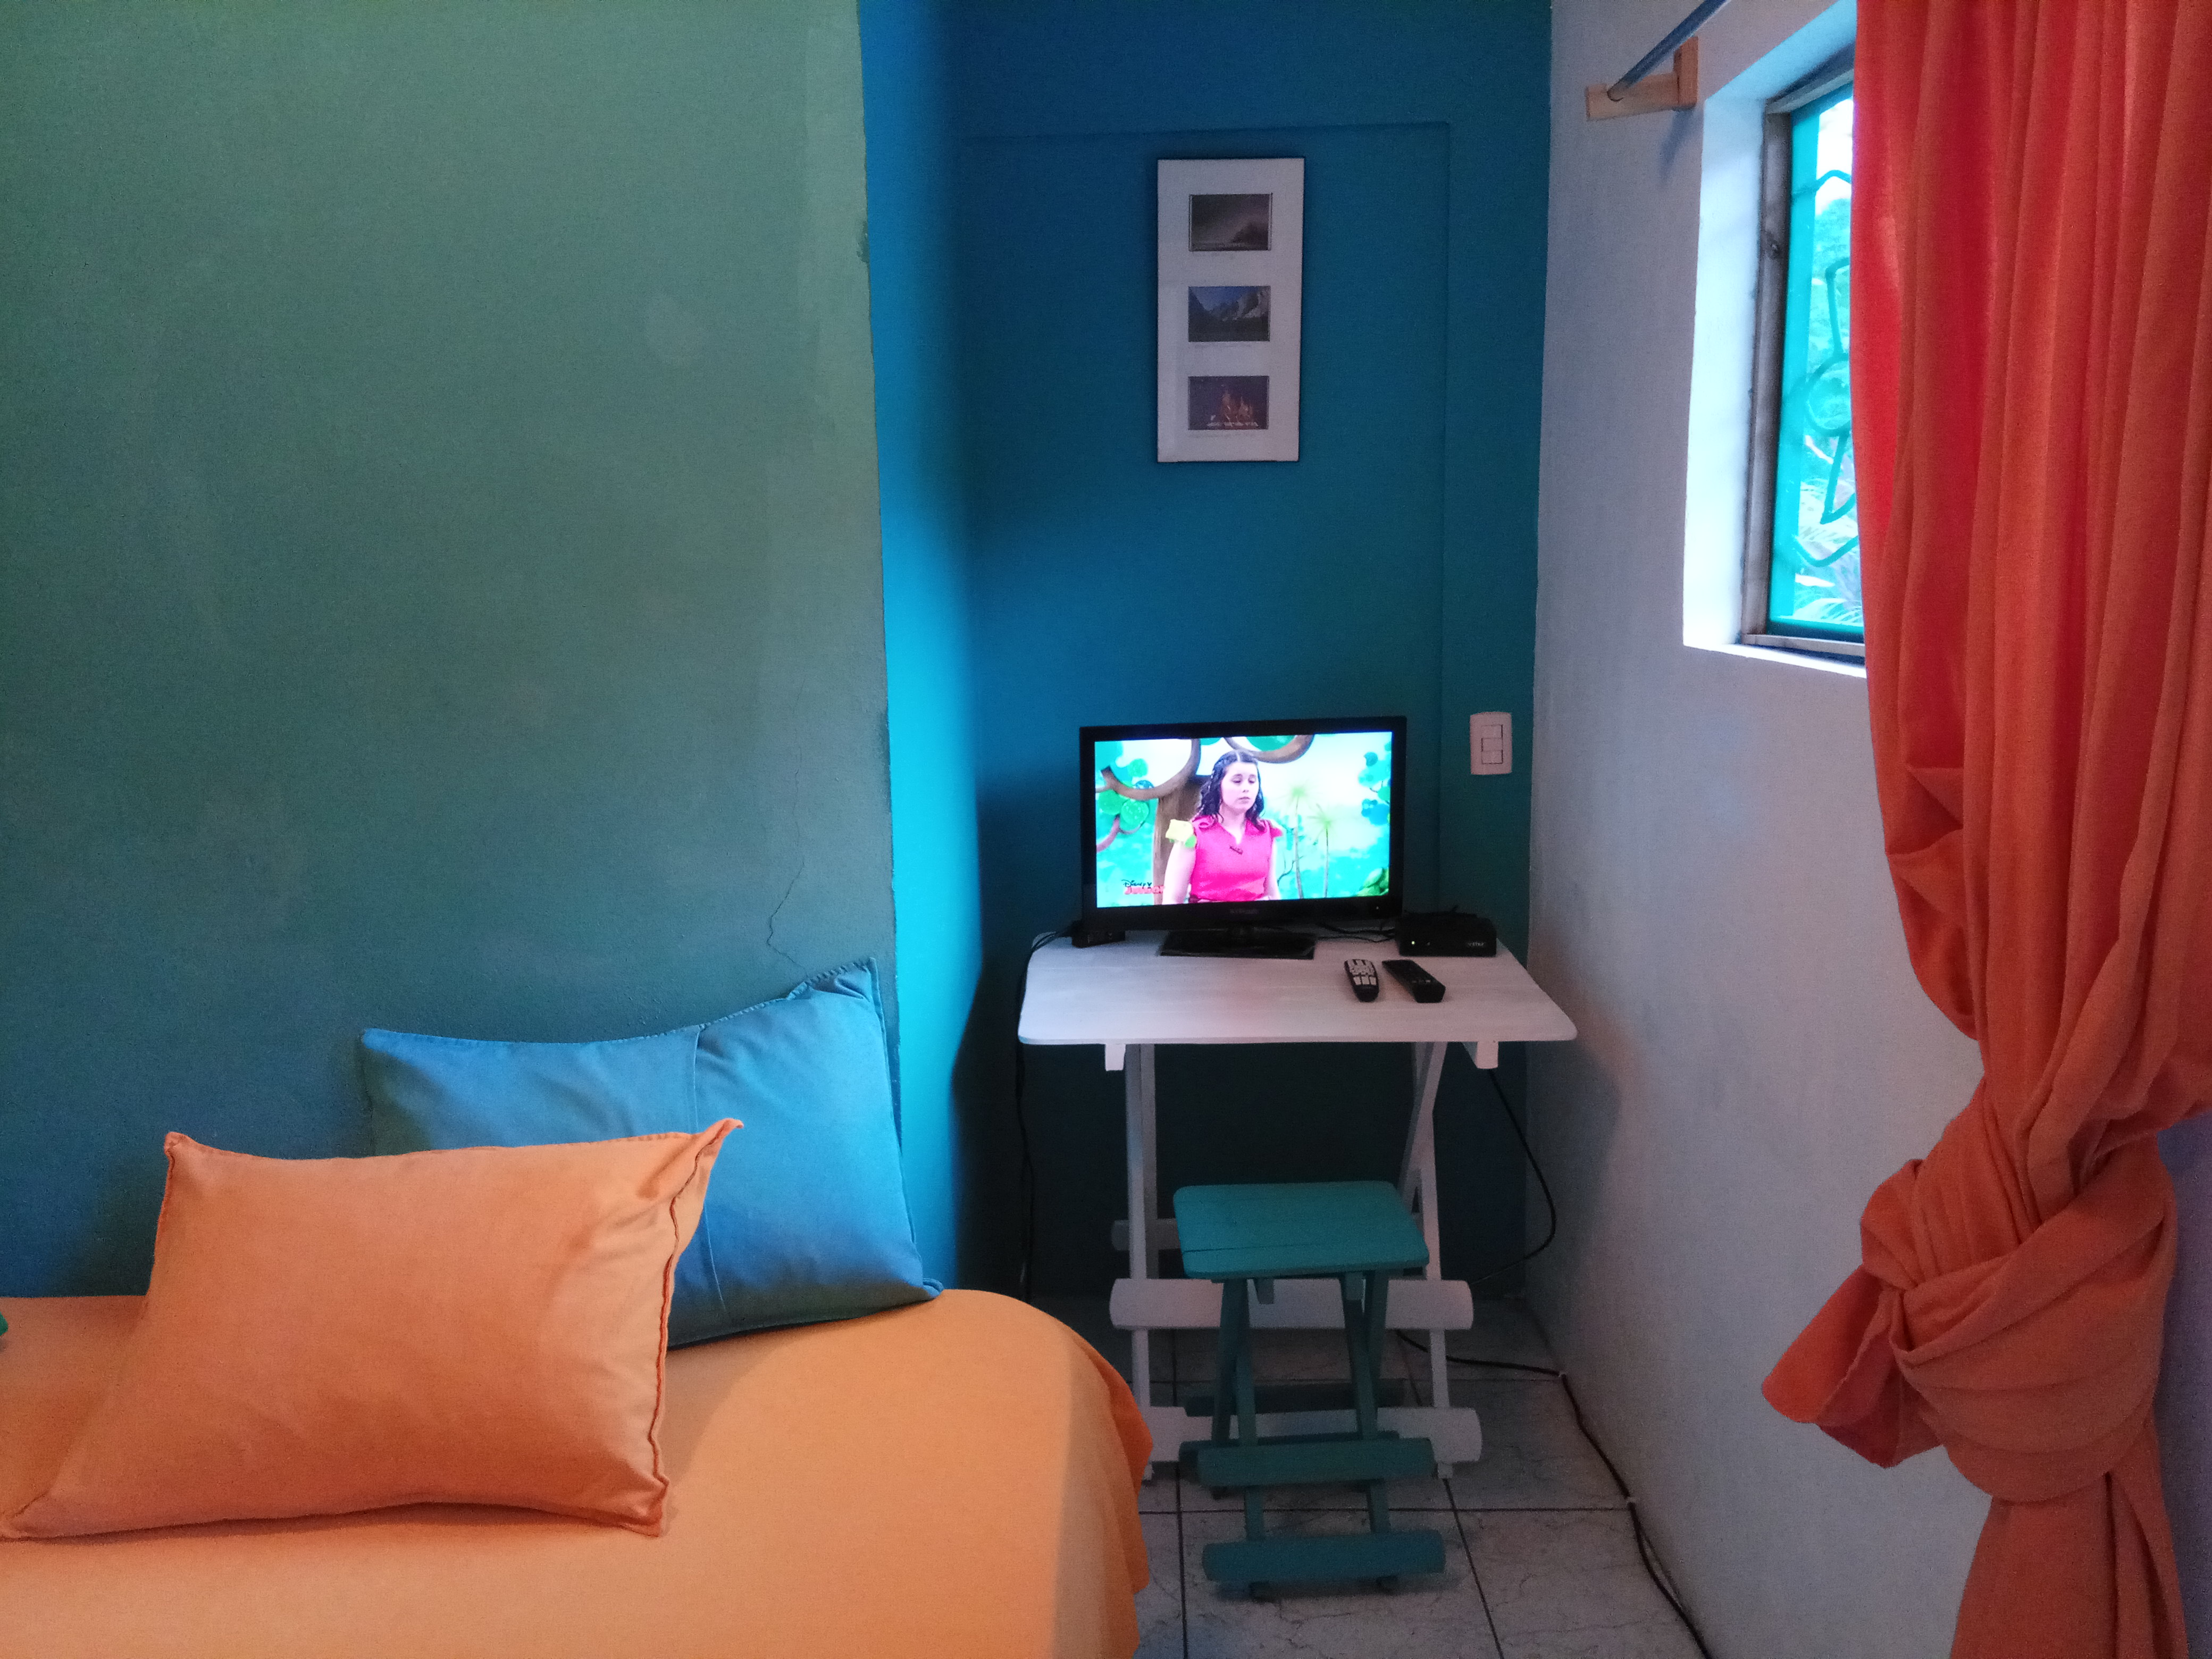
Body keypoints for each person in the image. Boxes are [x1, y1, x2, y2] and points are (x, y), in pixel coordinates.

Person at [1161, 752, 1283, 904]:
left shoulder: (1266, 832)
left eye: (1252, 781)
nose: (1246, 788)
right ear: (1218, 785)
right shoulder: (1192, 834)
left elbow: (1272, 893)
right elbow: (1172, 900)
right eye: (1237, 781)